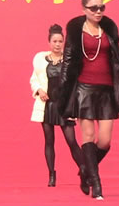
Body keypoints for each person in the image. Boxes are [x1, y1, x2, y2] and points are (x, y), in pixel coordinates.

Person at [59, 0, 119, 200]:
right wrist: (63, 95)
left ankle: (85, 170)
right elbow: (67, 64)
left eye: (101, 7)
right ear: (84, 9)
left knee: (104, 141)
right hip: (83, 90)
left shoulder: (109, 29)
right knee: (88, 136)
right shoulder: (76, 31)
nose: (98, 11)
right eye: (93, 8)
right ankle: (96, 184)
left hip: (106, 91)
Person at [29, 24, 88, 194]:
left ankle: (85, 170)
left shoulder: (69, 60)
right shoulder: (40, 60)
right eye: (54, 41)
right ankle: (51, 174)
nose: (57, 44)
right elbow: (34, 79)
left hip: (64, 106)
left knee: (71, 141)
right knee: (49, 141)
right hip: (47, 105)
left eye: (60, 41)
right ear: (49, 42)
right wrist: (39, 90)